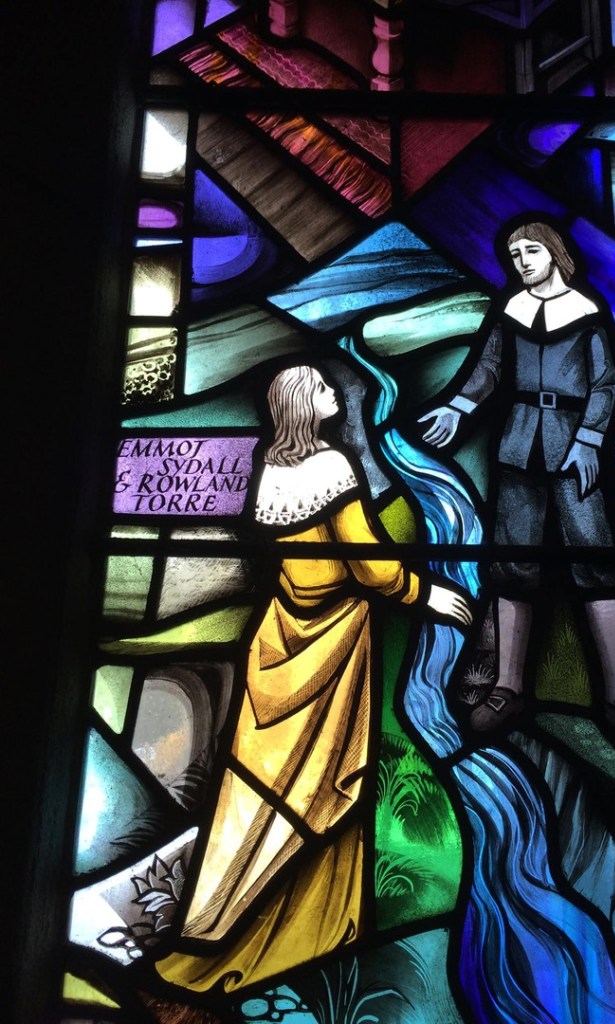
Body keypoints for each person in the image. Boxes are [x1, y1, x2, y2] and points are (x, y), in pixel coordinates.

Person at [156, 363, 471, 992]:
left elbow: (294, 562)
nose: (333, 394)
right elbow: (367, 561)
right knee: (324, 785)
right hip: (332, 640)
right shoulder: (329, 467)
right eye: (323, 388)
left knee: (260, 785)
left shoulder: (270, 473)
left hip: (279, 634)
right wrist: (423, 593)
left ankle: (218, 915)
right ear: (305, 404)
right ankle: (317, 932)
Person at [420, 221, 615, 751]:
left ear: (555, 253)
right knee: (512, 563)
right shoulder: (512, 311)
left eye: (531, 250)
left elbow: (605, 383)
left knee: (596, 563)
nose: (521, 261)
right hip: (519, 444)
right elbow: (489, 368)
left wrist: (589, 439)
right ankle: (508, 688)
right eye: (513, 253)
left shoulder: (586, 314)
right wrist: (459, 407)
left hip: (575, 451)